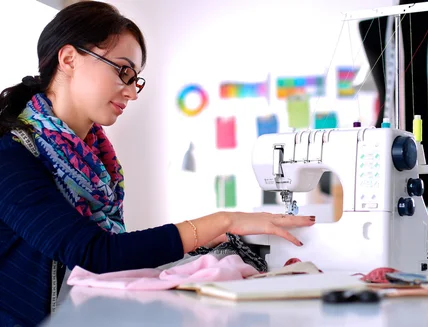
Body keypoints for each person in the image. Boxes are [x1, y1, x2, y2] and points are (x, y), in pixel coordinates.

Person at [0, 2, 315, 326]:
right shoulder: (11, 156)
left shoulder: (95, 162)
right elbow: (94, 254)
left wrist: (207, 239)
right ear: (68, 59)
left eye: (136, 79)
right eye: (122, 71)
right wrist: (222, 221)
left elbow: (110, 251)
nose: (132, 92)